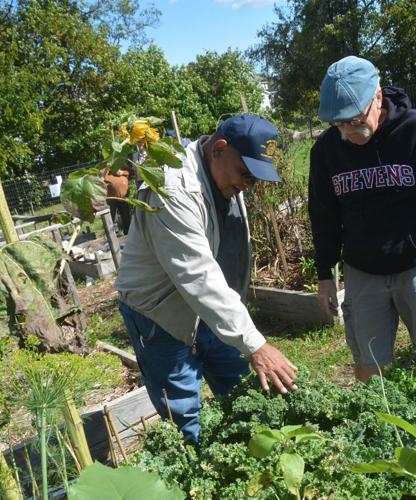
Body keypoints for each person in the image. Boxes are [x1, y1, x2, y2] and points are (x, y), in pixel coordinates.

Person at [309, 56, 416, 398]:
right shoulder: (327, 151)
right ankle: (379, 426)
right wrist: (324, 275)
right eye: (338, 124)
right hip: (363, 270)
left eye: (355, 120)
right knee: (368, 356)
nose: (348, 131)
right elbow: (323, 215)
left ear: (377, 97)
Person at [116, 114, 298, 443]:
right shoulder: (174, 189)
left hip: (209, 309)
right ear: (219, 149)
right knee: (185, 418)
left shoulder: (223, 175)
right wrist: (256, 344)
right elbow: (197, 273)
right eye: (246, 173)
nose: (249, 184)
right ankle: (199, 479)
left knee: (245, 397)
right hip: (160, 314)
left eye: (256, 177)